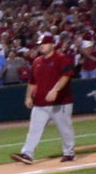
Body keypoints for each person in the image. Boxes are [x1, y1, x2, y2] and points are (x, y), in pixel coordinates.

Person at [13, 31, 79, 165]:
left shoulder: (62, 58)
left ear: (52, 44)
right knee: (34, 130)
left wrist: (55, 89)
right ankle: (27, 154)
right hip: (40, 103)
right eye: (40, 44)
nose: (41, 46)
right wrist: (28, 97)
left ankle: (69, 152)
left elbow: (66, 76)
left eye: (44, 43)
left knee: (65, 128)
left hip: (61, 102)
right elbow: (32, 82)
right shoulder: (37, 61)